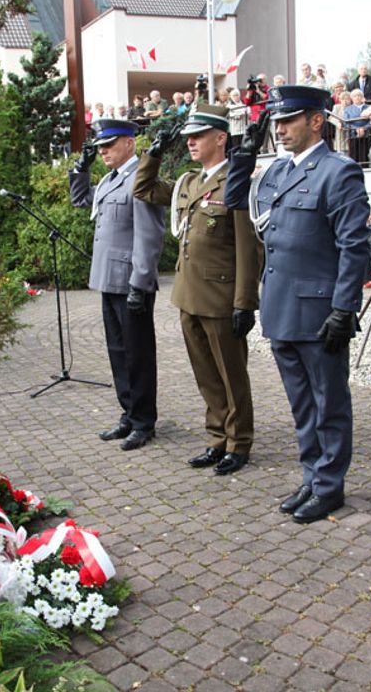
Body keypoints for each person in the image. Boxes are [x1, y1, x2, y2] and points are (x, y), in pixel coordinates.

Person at [225, 85, 370, 524]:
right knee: (302, 405)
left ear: (316, 121)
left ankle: (329, 486)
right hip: (282, 308)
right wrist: (244, 157)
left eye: (289, 120)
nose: (280, 129)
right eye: (277, 122)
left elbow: (354, 245)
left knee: (329, 404)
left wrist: (345, 308)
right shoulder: (275, 172)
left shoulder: (337, 172)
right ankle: (312, 476)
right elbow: (234, 201)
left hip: (320, 311)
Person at [132, 105, 263, 475]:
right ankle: (217, 437)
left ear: (220, 138)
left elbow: (248, 248)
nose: (190, 141)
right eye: (188, 136)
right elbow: (143, 189)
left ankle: (239, 443)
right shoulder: (190, 182)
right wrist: (153, 154)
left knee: (231, 374)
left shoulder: (235, 181)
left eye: (199, 135)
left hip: (222, 299)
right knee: (206, 374)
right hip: (189, 296)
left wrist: (244, 303)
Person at [69, 119, 166, 450]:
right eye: (99, 147)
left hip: (130, 281)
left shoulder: (140, 177)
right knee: (118, 352)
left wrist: (140, 282)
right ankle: (128, 413)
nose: (103, 151)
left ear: (129, 143)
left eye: (109, 145)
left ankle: (143, 421)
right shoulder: (111, 179)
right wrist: (80, 168)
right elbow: (82, 199)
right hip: (109, 280)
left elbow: (149, 235)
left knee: (138, 354)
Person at [343, 88, 371, 165]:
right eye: (355, 96)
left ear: (362, 97)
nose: (357, 97)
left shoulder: (369, 107)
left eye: (359, 95)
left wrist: (363, 128)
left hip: (366, 134)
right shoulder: (347, 109)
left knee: (364, 153)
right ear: (352, 98)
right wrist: (356, 129)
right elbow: (346, 122)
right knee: (354, 155)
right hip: (353, 134)